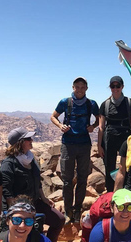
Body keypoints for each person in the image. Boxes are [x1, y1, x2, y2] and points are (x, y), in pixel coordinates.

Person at [0, 127, 77, 242]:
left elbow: (38, 182)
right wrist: (17, 213)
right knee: (34, 232)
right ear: (20, 143)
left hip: (35, 202)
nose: (32, 141)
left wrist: (44, 198)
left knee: (58, 219)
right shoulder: (8, 164)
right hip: (19, 209)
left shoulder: (30, 159)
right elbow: (7, 192)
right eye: (28, 139)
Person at [51, 76, 99, 223]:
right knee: (67, 180)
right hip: (68, 144)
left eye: (82, 87)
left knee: (83, 178)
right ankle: (68, 210)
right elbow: (53, 116)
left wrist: (93, 126)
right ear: (73, 87)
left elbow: (100, 119)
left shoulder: (91, 104)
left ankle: (77, 209)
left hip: (84, 144)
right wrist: (60, 126)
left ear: (86, 88)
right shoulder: (65, 102)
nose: (79, 89)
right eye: (77, 87)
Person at [98, 76, 131, 192]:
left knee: (127, 165)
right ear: (110, 87)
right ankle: (110, 191)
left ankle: (125, 189)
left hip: (126, 137)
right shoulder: (105, 104)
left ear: (122, 87)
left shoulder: (130, 103)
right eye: (112, 86)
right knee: (109, 166)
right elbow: (101, 126)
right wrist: (99, 145)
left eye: (118, 86)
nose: (115, 89)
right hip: (109, 138)